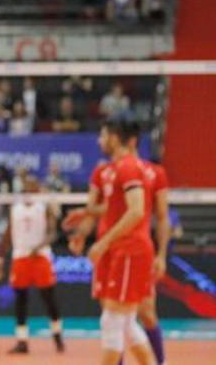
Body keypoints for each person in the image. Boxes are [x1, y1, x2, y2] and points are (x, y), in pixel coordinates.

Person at [64, 126, 170, 365]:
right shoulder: (106, 171)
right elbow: (110, 207)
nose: (100, 140)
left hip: (131, 248)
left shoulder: (140, 170)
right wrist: (84, 222)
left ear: (124, 139)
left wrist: (161, 254)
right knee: (121, 320)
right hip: (113, 250)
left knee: (133, 315)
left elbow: (143, 212)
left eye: (104, 135)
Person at [0, 193, 64, 354]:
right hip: (21, 256)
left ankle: (57, 335)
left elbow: (53, 233)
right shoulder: (15, 208)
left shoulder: (43, 206)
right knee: (20, 299)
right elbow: (7, 235)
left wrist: (39, 246)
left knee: (49, 298)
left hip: (40, 256)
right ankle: (22, 340)